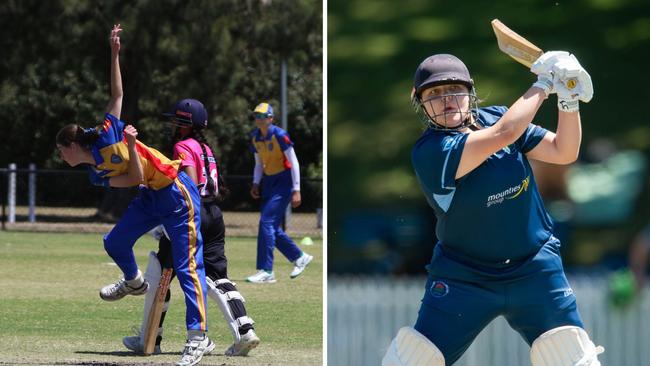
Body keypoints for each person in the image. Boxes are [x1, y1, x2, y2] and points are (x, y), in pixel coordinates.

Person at [382, 52, 604, 366]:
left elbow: (564, 151)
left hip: (534, 270)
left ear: (470, 93)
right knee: (411, 361)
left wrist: (568, 99)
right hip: (464, 277)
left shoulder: (497, 116)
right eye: (434, 94)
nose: (446, 99)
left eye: (453, 90)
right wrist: (543, 83)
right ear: (421, 103)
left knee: (575, 360)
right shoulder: (431, 152)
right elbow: (504, 134)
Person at [55, 25, 212, 366]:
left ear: (71, 146)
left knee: (187, 268)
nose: (61, 158)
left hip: (175, 193)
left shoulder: (105, 134)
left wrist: (114, 53)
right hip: (149, 195)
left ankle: (199, 337)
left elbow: (117, 95)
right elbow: (134, 179)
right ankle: (134, 282)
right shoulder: (96, 172)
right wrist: (130, 145)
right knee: (114, 241)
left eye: (61, 152)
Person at [122, 98, 260, 356]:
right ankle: (244, 331)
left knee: (160, 272)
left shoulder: (182, 145)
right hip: (214, 215)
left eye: (176, 120)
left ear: (185, 123)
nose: (172, 124)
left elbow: (190, 183)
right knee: (217, 276)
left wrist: (170, 219)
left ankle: (150, 338)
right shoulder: (205, 147)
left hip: (190, 214)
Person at [246, 102, 313, 283]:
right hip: (269, 181)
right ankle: (299, 257)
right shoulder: (255, 138)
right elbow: (259, 164)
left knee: (266, 222)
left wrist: (297, 189)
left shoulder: (280, 135)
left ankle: (266, 271)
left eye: (262, 116)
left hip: (284, 182)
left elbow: (294, 161)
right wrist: (255, 182)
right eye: (256, 116)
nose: (258, 120)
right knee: (271, 227)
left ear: (270, 118)